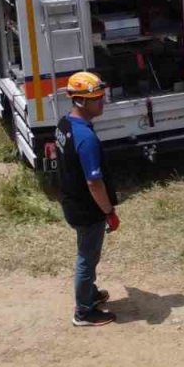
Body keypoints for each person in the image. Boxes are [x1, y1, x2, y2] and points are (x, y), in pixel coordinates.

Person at [56, 71, 120, 327]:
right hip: (87, 209)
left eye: (102, 97)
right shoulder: (86, 138)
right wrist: (109, 212)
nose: (102, 102)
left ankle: (89, 293)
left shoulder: (65, 123)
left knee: (88, 252)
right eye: (97, 99)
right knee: (87, 256)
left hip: (72, 201)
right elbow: (94, 182)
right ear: (80, 101)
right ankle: (83, 311)